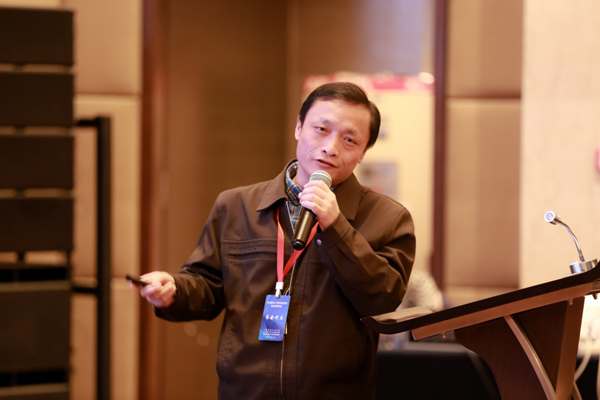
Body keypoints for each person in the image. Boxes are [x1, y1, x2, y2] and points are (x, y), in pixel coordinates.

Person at [132, 82, 416, 399]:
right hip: (245, 391)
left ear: (363, 152)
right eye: (321, 129)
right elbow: (208, 285)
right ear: (298, 127)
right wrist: (174, 290)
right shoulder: (235, 206)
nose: (331, 147)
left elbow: (382, 300)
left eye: (349, 140)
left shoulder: (389, 218)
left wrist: (336, 227)